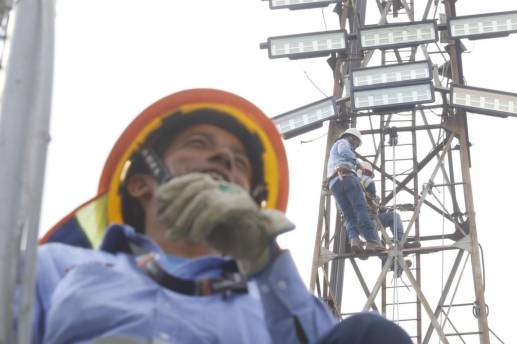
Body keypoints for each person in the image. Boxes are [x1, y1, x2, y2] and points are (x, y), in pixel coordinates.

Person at [33, 88, 411, 344]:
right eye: (199, 144)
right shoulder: (57, 266)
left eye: (240, 161)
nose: (225, 159)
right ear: (140, 183)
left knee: (372, 334)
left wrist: (264, 262)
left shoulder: (273, 301)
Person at [327, 127, 385, 256]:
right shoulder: (343, 143)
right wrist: (357, 163)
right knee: (360, 209)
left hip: (334, 183)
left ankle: (355, 241)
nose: (355, 147)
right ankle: (371, 241)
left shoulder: (333, 152)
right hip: (347, 176)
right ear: (352, 138)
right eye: (355, 143)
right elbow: (345, 152)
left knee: (348, 215)